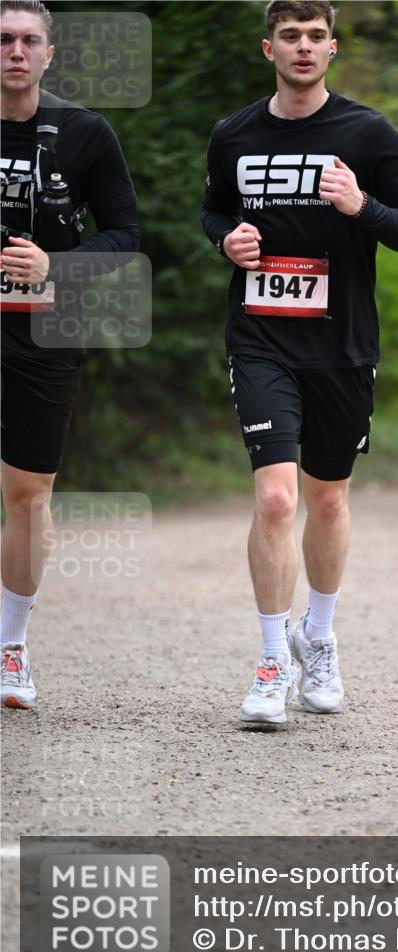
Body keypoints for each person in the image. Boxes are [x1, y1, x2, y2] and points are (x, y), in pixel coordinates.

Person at [202, 0, 398, 724]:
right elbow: (213, 210)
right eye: (289, 37)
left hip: (340, 345)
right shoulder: (233, 134)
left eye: (314, 37)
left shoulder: (366, 133)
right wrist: (226, 240)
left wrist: (360, 206)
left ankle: (319, 638)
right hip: (260, 336)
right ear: (267, 47)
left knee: (327, 497)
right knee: (275, 497)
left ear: (331, 49)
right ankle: (271, 664)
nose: (302, 48)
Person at [0, 0, 139, 709]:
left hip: (45, 331)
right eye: (4, 40)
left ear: (50, 54)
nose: (16, 52)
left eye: (29, 41)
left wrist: (53, 263)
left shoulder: (85, 133)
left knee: (28, 496)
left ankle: (11, 648)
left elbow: (124, 235)